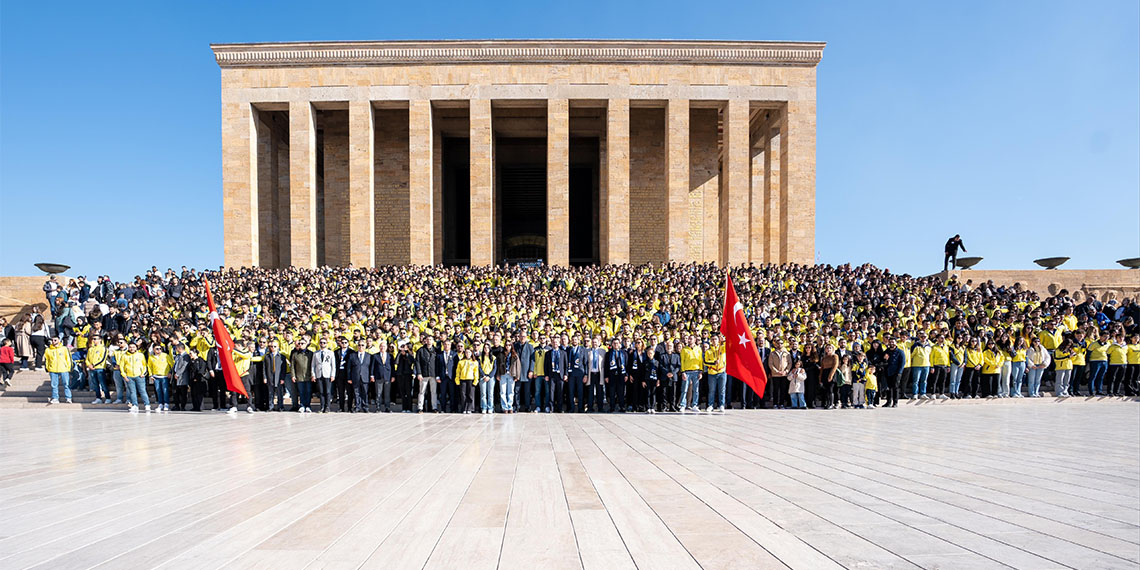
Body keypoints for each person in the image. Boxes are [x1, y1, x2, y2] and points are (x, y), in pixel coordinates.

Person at [119, 342, 150, 413]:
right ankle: (135, 405)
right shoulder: (124, 356)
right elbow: (122, 366)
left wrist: (143, 373)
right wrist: (124, 375)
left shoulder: (140, 355)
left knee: (142, 391)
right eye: (130, 347)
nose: (132, 348)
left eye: (133, 347)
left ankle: (147, 404)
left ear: (136, 348)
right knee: (132, 392)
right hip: (129, 376)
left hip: (139, 375)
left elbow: (144, 365)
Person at [44, 336, 73, 404]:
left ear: (59, 340)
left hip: (63, 368)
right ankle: (55, 398)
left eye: (55, 340)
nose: (54, 342)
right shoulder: (48, 350)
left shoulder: (64, 349)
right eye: (53, 340)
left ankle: (68, 397)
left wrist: (69, 367)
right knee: (54, 385)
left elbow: (68, 358)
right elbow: (47, 360)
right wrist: (47, 368)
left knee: (66, 384)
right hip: (53, 369)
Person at [415, 334, 438, 413]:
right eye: (427, 339)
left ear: (433, 341)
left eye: (430, 339)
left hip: (433, 374)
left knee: (433, 392)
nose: (429, 341)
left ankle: (434, 407)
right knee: (422, 391)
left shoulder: (436, 350)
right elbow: (417, 362)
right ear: (425, 341)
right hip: (423, 374)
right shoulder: (420, 350)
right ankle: (420, 407)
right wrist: (419, 373)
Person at [311, 337, 335, 413]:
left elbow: (333, 365)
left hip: (327, 374)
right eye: (321, 342)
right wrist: (313, 374)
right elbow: (313, 365)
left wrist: (332, 375)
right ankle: (322, 407)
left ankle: (327, 407)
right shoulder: (316, 353)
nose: (322, 344)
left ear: (326, 344)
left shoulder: (330, 353)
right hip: (319, 374)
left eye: (324, 342)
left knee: (327, 391)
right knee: (321, 392)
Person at [147, 343, 173, 412]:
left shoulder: (165, 356)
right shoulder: (151, 357)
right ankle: (160, 403)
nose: (159, 350)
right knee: (158, 390)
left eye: (160, 349)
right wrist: (150, 375)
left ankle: (166, 403)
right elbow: (149, 367)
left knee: (165, 390)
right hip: (156, 376)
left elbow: (172, 364)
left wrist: (170, 372)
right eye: (157, 349)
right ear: (153, 349)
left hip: (164, 376)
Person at [704, 336, 727, 413]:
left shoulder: (722, 348)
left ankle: (721, 405)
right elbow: (705, 362)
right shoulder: (708, 351)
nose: (714, 341)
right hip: (712, 373)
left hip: (722, 371)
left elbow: (729, 346)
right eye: (713, 339)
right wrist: (713, 363)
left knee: (722, 390)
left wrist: (723, 341)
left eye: (716, 339)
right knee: (712, 390)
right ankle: (710, 405)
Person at [456, 348, 478, 414]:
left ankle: (470, 408)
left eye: (469, 352)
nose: (467, 354)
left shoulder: (474, 362)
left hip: (470, 379)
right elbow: (458, 371)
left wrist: (476, 380)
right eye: (466, 352)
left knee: (470, 395)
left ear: (471, 353)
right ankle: (464, 408)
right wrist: (457, 379)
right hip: (463, 379)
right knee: (463, 394)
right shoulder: (461, 361)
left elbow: (476, 372)